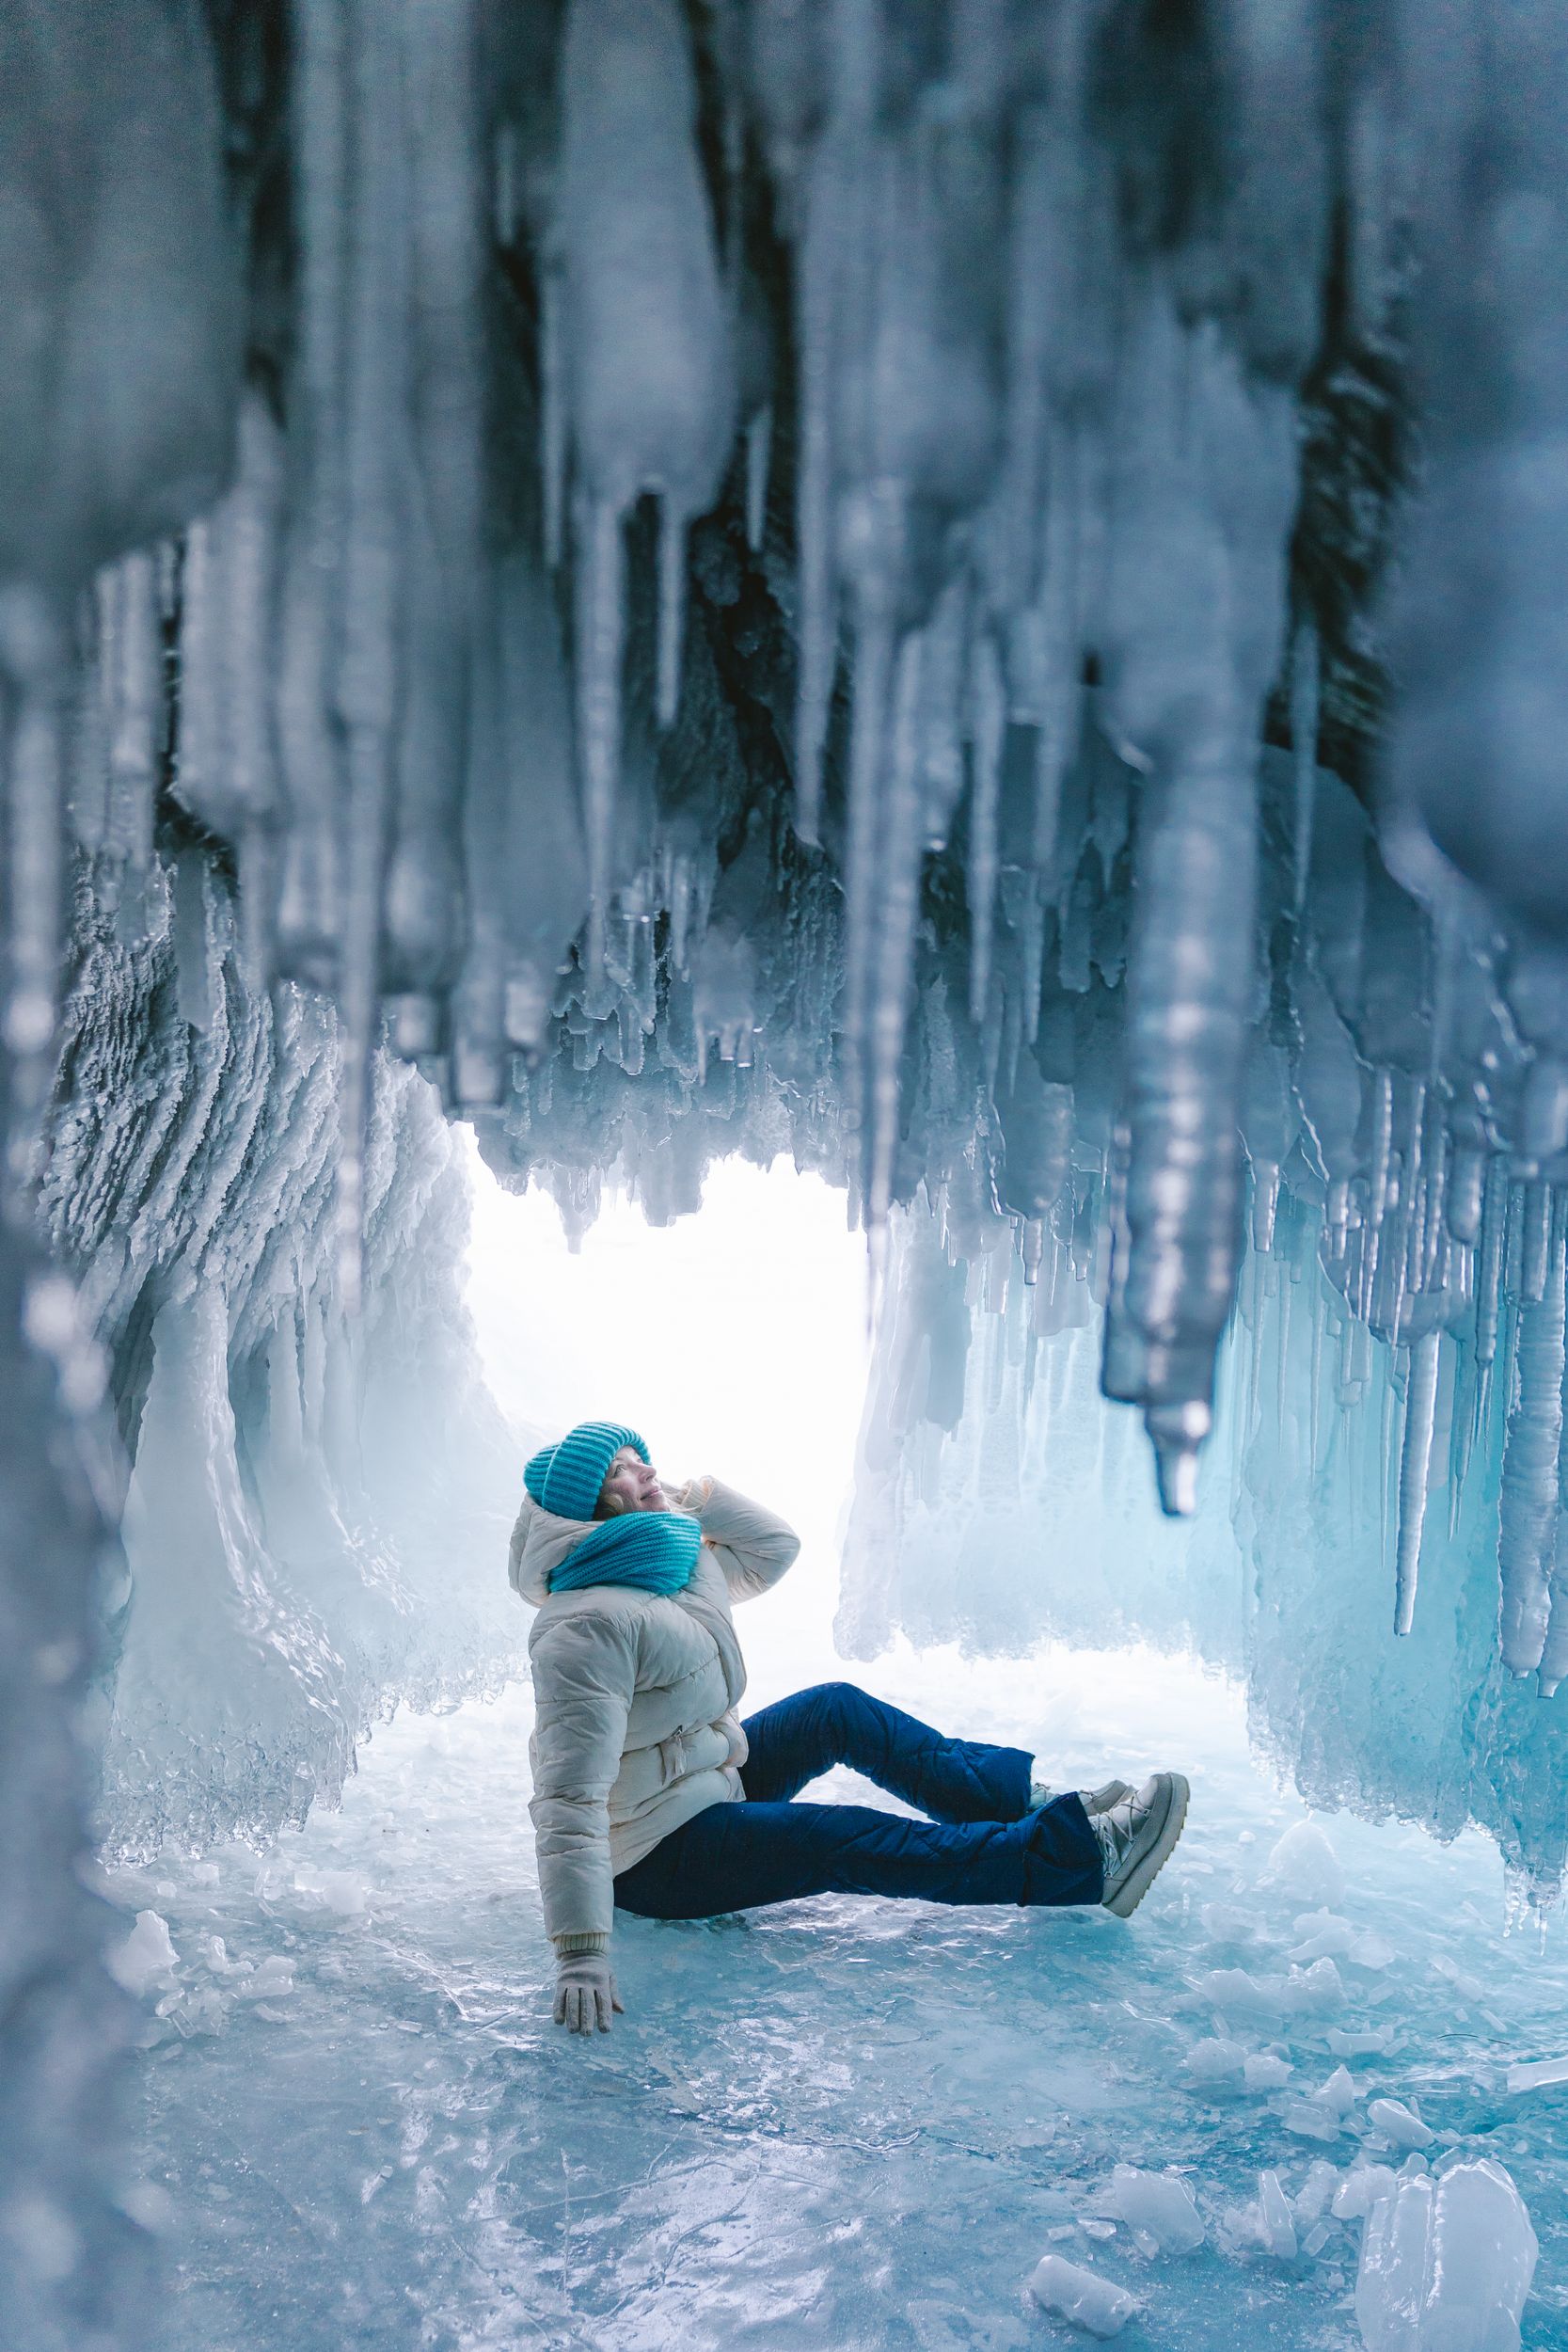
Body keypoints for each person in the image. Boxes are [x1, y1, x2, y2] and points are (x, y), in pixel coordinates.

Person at [510, 1421, 1190, 2035]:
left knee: (834, 1707)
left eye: (642, 1459)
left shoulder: (675, 1561)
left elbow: (773, 1548)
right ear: (586, 1507)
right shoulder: (585, 1625)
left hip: (709, 1784)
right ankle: (1083, 1862)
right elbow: (567, 1796)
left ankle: (1023, 1807)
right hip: (657, 1859)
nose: (646, 1473)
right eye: (620, 1472)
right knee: (843, 1838)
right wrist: (580, 1953)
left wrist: (690, 1494)